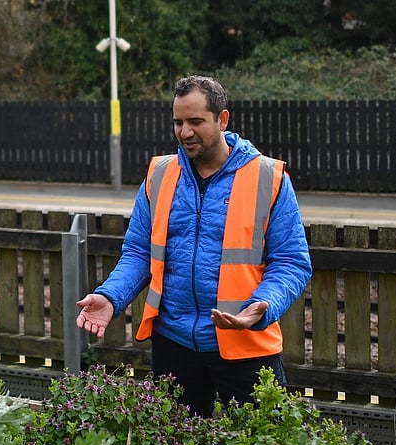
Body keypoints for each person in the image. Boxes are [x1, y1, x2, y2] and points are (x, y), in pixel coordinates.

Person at [75, 75, 312, 418]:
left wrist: (263, 304)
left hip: (245, 345)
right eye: (178, 122)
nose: (185, 132)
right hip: (174, 345)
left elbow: (291, 262)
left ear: (222, 119)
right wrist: (111, 296)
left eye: (196, 122)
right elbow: (140, 252)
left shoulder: (268, 177)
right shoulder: (159, 174)